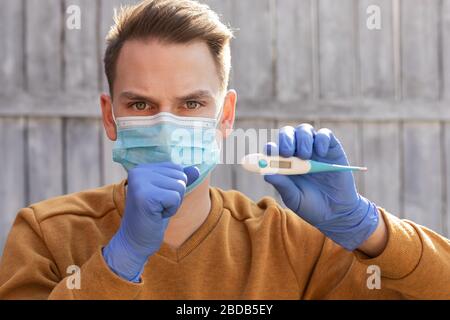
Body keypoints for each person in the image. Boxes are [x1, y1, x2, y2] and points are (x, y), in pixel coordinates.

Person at [0, 0, 449, 300]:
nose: (167, 124)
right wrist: (121, 260)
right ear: (109, 115)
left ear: (226, 116)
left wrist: (366, 229)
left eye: (192, 104)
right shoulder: (47, 235)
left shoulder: (291, 244)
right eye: (141, 104)